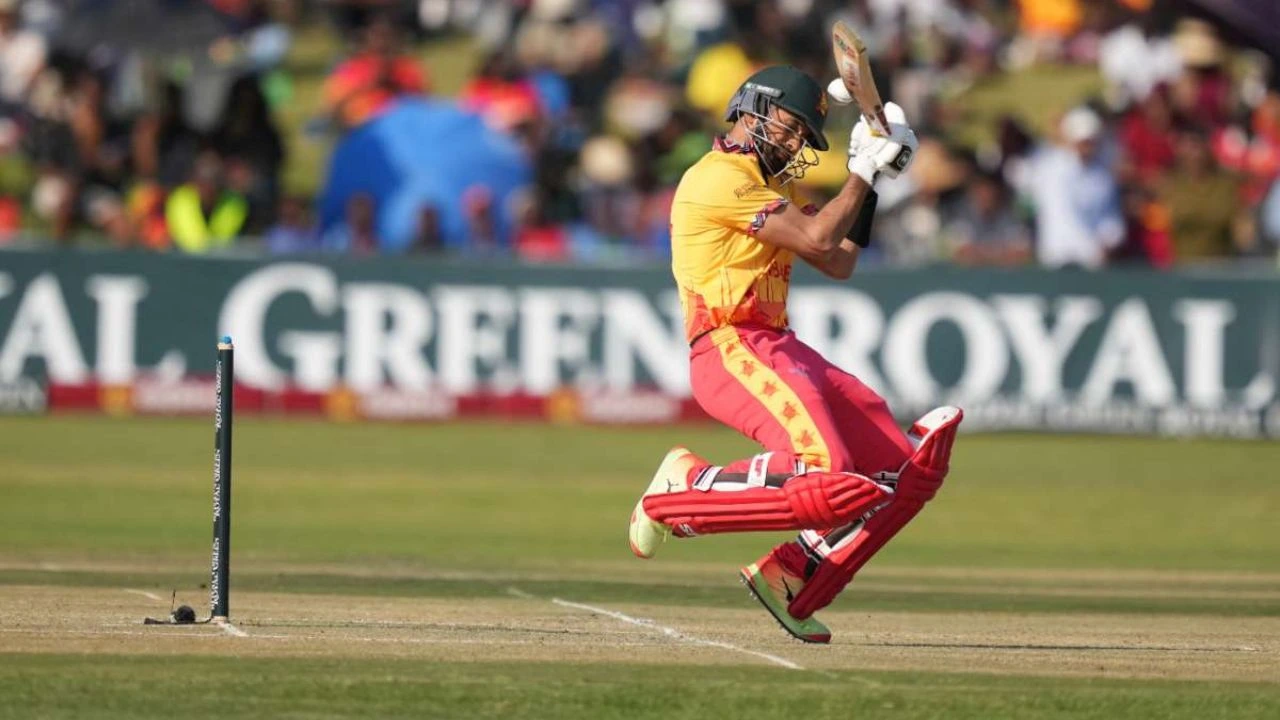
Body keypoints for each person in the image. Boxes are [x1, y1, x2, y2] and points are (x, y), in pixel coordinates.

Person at [626, 66, 962, 644]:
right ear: (751, 107)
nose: (795, 143)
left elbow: (840, 260)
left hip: (780, 346)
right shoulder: (718, 179)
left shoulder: (770, 190)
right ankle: (683, 490)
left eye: (804, 136)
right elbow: (818, 241)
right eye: (790, 126)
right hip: (730, 346)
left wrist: (874, 178)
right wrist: (860, 167)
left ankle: (792, 575)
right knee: (825, 473)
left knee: (903, 472)